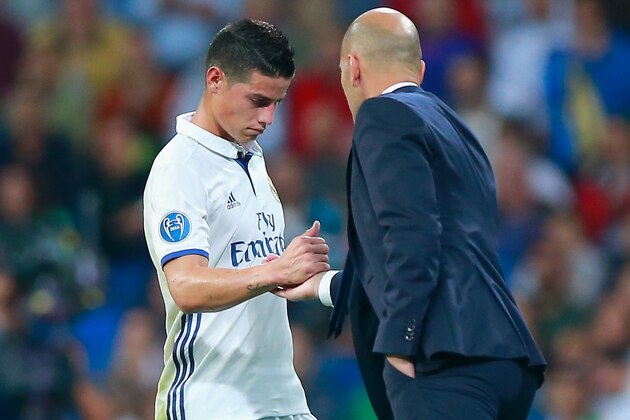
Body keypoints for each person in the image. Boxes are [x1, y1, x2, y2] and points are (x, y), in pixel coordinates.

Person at [274, 8, 547, 419]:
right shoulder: (456, 127)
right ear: (418, 70)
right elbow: (439, 251)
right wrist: (322, 286)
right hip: (500, 358)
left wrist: (403, 335)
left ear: (353, 67)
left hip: (439, 360)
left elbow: (413, 233)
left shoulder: (381, 116)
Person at [143, 19, 329, 420]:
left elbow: (253, 269)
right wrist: (274, 270)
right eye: (259, 101)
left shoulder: (251, 156)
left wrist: (300, 274)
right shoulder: (180, 167)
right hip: (212, 403)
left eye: (278, 103)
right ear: (215, 79)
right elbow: (186, 286)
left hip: (281, 400)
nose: (269, 119)